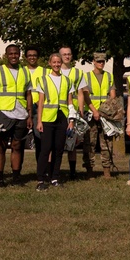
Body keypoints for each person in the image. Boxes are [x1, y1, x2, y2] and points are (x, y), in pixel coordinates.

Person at [0, 43, 32, 187]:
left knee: (17, 146)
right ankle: (0, 179)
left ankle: (16, 178)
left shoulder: (25, 72)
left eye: (16, 53)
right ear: (6, 55)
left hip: (21, 114)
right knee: (1, 146)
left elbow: (29, 94)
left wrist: (30, 115)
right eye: (11, 54)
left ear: (20, 55)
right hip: (4, 113)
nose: (13, 56)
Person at [34, 53, 75, 191]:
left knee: (59, 149)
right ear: (50, 63)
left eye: (59, 62)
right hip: (47, 118)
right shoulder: (43, 79)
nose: (57, 65)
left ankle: (55, 177)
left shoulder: (67, 80)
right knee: (45, 149)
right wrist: (39, 121)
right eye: (54, 62)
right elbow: (40, 102)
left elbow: (70, 101)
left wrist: (71, 120)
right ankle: (40, 179)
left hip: (62, 117)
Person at [83, 52, 117, 178]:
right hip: (91, 114)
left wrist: (105, 110)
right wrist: (95, 111)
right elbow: (85, 95)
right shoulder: (86, 76)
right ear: (94, 62)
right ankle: (89, 169)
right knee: (89, 143)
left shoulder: (109, 76)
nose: (101, 63)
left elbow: (112, 94)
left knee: (107, 143)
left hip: (105, 115)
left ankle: (107, 170)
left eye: (103, 61)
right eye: (98, 61)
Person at [59, 46, 87, 179]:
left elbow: (80, 93)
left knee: (72, 143)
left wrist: (81, 111)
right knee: (56, 143)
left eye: (69, 54)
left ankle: (72, 172)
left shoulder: (77, 73)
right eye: (64, 54)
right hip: (57, 111)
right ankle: (54, 171)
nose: (67, 56)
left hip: (73, 111)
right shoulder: (54, 71)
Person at [23, 46, 46, 168]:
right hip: (23, 107)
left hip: (39, 108)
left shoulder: (45, 71)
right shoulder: (21, 71)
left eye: (34, 55)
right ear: (26, 57)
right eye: (29, 55)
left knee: (39, 139)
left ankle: (41, 169)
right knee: (20, 141)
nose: (32, 57)